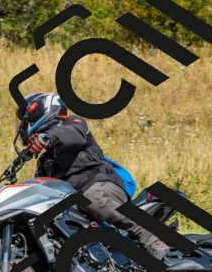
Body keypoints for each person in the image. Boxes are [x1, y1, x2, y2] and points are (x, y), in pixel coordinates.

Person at [16, 92, 171, 261]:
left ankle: (153, 241)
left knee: (92, 198)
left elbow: (71, 135)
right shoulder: (45, 161)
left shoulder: (74, 125)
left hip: (102, 186)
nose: (23, 126)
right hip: (77, 204)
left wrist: (48, 136)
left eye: (25, 119)